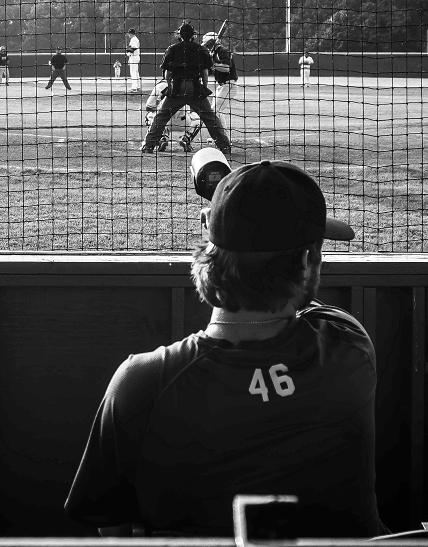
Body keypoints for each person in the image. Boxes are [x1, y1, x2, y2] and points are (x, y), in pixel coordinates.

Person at [65, 159, 385, 538]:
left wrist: (226, 223)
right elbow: (305, 305)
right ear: (306, 260)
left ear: (209, 250)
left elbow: (112, 526)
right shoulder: (348, 346)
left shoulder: (143, 382)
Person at [140, 22, 230, 155]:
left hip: (176, 87)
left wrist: (170, 86)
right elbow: (205, 74)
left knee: (161, 117)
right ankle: (225, 147)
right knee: (210, 118)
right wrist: (203, 90)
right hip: (194, 87)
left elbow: (167, 74)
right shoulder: (201, 49)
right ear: (193, 35)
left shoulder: (172, 48)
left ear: (179, 35)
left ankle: (148, 146)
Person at [179, 31, 239, 151]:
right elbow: (211, 70)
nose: (206, 46)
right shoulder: (215, 52)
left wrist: (213, 64)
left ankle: (225, 139)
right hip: (222, 86)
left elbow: (226, 68)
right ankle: (223, 137)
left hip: (229, 85)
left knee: (215, 111)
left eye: (208, 44)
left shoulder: (222, 51)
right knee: (214, 112)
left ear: (212, 42)